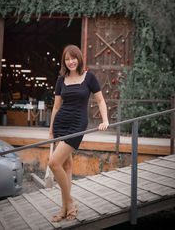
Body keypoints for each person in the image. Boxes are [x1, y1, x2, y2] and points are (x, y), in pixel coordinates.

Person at [49, 44, 109, 222]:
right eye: (67, 59)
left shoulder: (89, 77)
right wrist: (51, 131)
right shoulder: (61, 80)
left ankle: (70, 203)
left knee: (53, 163)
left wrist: (105, 120)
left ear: (79, 58)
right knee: (65, 166)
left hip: (77, 125)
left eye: (73, 58)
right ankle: (65, 208)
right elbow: (57, 106)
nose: (70, 62)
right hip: (61, 124)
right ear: (64, 62)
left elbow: (100, 100)